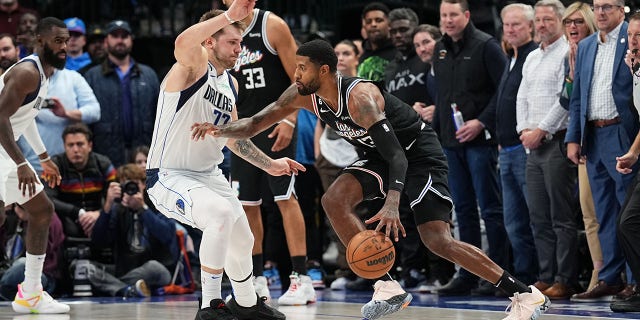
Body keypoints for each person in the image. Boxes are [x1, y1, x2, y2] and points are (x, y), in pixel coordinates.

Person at [193, 39, 551, 320]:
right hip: (379, 156)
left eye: (302, 68)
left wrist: (393, 202)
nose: (296, 74)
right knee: (333, 200)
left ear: (325, 70)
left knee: (437, 240)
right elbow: (256, 123)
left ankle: (524, 293)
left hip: (417, 154)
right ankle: (386, 285)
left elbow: (398, 155)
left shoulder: (361, 98)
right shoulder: (302, 96)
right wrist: (217, 129)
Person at [146, 1, 296, 319]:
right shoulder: (192, 65)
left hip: (209, 176)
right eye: (232, 41)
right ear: (211, 40)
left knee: (243, 239)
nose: (239, 49)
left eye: (241, 42)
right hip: (169, 175)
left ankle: (244, 301)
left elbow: (233, 137)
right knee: (219, 215)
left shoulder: (231, 83)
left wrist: (270, 164)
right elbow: (182, 43)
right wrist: (229, 16)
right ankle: (210, 305)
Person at [222, 0, 316, 305]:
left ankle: (301, 278)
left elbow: (300, 78)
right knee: (247, 205)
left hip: (276, 125)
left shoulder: (271, 25)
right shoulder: (220, 28)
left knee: (285, 198)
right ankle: (256, 279)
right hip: (242, 130)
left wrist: (290, 119)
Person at [432, 0, 510, 296]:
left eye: (454, 15)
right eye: (444, 16)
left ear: (466, 15)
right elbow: (441, 98)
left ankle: (497, 275)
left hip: (481, 141)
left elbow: (503, 90)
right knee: (461, 210)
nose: (449, 20)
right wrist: (436, 139)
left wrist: (481, 122)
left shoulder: (486, 45)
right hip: (450, 144)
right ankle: (467, 274)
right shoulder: (440, 49)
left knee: (489, 209)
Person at [566, 0, 637, 302]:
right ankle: (610, 277)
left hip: (623, 132)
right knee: (603, 212)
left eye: (609, 6)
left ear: (622, 10)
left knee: (629, 213)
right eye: (597, 7)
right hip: (593, 135)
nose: (602, 12)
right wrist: (574, 137)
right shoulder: (585, 46)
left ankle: (635, 281)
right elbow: (578, 96)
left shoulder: (632, 39)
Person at [0, 16, 70, 314]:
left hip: (4, 149)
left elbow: (23, 119)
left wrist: (42, 158)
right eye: (58, 41)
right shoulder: (28, 72)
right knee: (41, 210)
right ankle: (30, 293)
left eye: (66, 41)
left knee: (33, 212)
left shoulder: (45, 72)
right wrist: (22, 162)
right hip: (3, 149)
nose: (65, 47)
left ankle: (30, 293)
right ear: (40, 42)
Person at [517, 0, 578, 299]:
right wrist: (522, 130)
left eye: (547, 19)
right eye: (538, 20)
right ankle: (545, 275)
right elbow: (521, 96)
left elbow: (566, 99)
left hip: (555, 140)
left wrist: (541, 130)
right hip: (532, 146)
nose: (541, 25)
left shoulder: (568, 52)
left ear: (561, 21)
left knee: (561, 216)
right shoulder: (531, 57)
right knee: (538, 216)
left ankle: (565, 277)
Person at [488, 3, 539, 291]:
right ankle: (523, 276)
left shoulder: (533, 55)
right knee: (513, 223)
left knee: (533, 219)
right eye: (507, 25)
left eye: (516, 25)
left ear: (529, 26)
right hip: (504, 149)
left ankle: (541, 275)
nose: (510, 30)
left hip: (524, 148)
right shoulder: (511, 57)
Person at [560, 1, 601, 293]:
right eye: (568, 22)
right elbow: (568, 102)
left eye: (578, 22)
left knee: (611, 213)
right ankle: (600, 273)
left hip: (608, 137)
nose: (573, 28)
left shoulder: (601, 49)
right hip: (585, 140)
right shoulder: (569, 57)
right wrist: (572, 75)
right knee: (588, 212)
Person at [89, 163, 176, 298]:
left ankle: (116, 287)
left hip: (157, 269)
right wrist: (107, 205)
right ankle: (129, 290)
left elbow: (168, 236)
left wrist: (143, 209)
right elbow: (99, 242)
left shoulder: (158, 204)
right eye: (126, 185)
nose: (131, 189)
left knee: (154, 268)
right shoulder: (117, 209)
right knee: (87, 269)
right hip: (125, 269)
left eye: (134, 184)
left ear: (143, 184)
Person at [83, 19, 159, 167]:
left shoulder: (148, 74)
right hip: (105, 153)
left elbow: (159, 114)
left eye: (124, 36)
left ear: (131, 40)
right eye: (115, 36)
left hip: (144, 152)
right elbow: (86, 120)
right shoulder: (92, 76)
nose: (120, 40)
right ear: (106, 41)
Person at [609, 11, 640, 312]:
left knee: (630, 222)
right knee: (627, 223)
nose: (633, 40)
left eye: (639, 35)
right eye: (631, 35)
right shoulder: (637, 69)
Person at [412, 24, 441, 124]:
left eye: (426, 42)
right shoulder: (429, 76)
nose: (422, 49)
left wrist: (438, 111)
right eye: (417, 46)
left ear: (439, 41)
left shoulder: (452, 66)